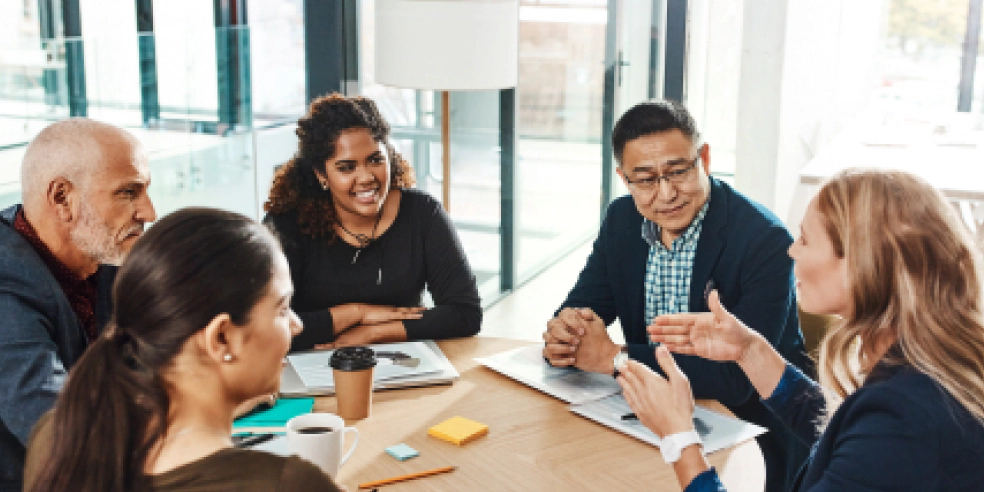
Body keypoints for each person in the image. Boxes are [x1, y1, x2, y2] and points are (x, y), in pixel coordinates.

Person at [621, 169, 984, 491]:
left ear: (860, 264)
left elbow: (873, 435)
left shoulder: (902, 418)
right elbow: (841, 433)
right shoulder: (928, 368)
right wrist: (749, 350)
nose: (792, 251)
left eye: (806, 240)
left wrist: (680, 439)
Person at [542, 100, 809, 492]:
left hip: (746, 429)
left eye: (678, 171)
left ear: (704, 157)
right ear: (624, 177)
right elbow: (584, 306)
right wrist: (566, 333)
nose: (666, 194)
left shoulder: (764, 240)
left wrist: (613, 358)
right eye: (646, 179)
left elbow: (739, 379)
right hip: (643, 416)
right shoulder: (622, 219)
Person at [23, 208, 344, 492]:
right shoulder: (286, 483)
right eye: (282, 308)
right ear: (221, 338)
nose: (297, 324)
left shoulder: (55, 435)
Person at [0, 118, 155, 491]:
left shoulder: (102, 255)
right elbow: (58, 429)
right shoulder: (6, 284)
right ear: (62, 199)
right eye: (128, 193)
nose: (149, 212)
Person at [264, 93, 481, 351]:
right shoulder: (287, 225)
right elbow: (265, 328)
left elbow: (465, 314)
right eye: (347, 167)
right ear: (321, 175)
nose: (366, 177)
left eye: (375, 160)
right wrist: (356, 313)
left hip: (401, 364)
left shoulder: (423, 213)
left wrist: (374, 334)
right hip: (310, 367)